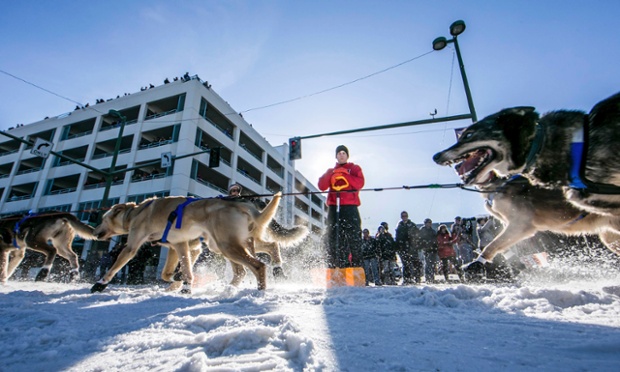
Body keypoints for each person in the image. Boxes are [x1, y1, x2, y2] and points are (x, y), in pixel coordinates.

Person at [318, 145, 365, 268]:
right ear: (336, 156)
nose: (341, 155)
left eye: (344, 153)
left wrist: (346, 176)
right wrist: (331, 174)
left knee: (353, 236)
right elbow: (322, 186)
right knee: (334, 237)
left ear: (347, 155)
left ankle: (356, 266)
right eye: (339, 153)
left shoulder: (354, 168)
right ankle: (336, 266)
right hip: (334, 207)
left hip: (350, 206)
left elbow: (360, 183)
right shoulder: (330, 170)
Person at [395, 211, 422, 284]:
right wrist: (398, 246)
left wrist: (415, 242)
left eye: (405, 216)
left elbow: (418, 235)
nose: (404, 217)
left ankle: (417, 278)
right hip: (403, 248)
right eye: (403, 216)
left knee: (415, 263)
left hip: (412, 247)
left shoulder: (412, 225)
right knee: (405, 264)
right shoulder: (399, 226)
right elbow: (397, 237)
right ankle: (407, 279)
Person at [419, 218, 439, 283]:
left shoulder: (433, 231)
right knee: (427, 263)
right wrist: (424, 245)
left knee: (433, 264)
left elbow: (436, 240)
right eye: (427, 223)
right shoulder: (422, 230)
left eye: (429, 223)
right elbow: (420, 239)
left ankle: (432, 277)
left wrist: (436, 248)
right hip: (426, 249)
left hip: (433, 249)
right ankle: (427, 278)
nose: (428, 224)